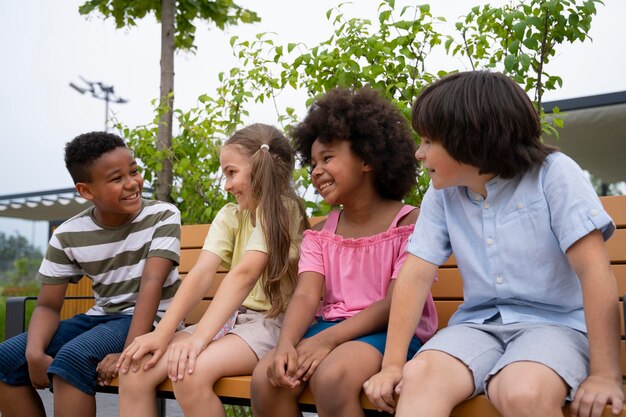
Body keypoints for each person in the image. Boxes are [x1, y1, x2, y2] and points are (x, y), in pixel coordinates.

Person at [363, 71, 625, 417]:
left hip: (555, 326)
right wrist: (393, 365)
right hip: (477, 327)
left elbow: (593, 272)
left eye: (428, 141)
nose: (418, 153)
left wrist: (606, 374)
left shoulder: (554, 175)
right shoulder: (442, 195)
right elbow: (415, 274)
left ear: (469, 139)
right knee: (419, 376)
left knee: (520, 390)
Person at [250, 87, 438, 417]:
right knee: (267, 379)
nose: (316, 170)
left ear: (367, 158)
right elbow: (307, 297)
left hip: (390, 332)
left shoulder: (409, 222)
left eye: (328, 158)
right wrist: (284, 346)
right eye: (312, 163)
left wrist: (329, 340)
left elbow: (395, 302)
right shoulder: (321, 234)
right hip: (331, 329)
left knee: (332, 377)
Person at [116, 123, 309, 417]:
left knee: (189, 373)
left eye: (232, 172)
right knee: (135, 370)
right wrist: (162, 334)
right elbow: (202, 273)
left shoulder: (284, 209)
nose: (227, 185)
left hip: (274, 323)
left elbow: (245, 274)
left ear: (260, 168)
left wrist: (198, 338)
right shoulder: (231, 214)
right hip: (233, 320)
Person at [0, 131, 181, 417]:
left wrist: (129, 350)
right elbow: (48, 305)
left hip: (152, 319)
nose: (132, 183)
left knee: (72, 359)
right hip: (101, 318)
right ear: (86, 191)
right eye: (117, 178)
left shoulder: (162, 215)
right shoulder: (69, 234)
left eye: (133, 171)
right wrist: (34, 352)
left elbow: (152, 283)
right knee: (5, 360)